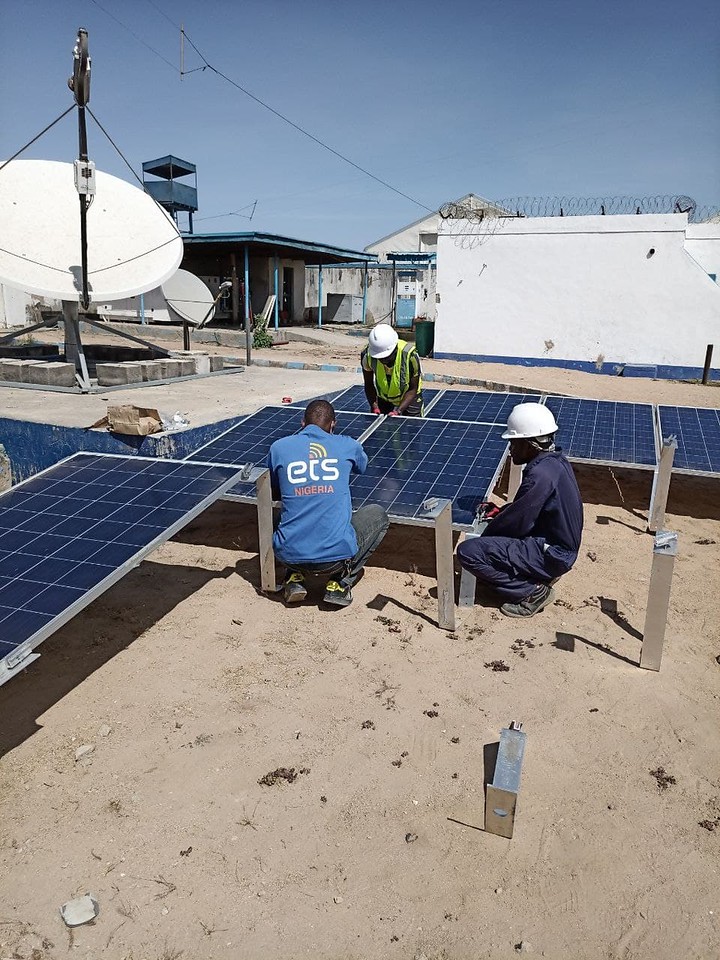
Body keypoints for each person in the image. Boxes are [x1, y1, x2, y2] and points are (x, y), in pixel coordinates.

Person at [456, 403, 583, 618]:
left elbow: (517, 524)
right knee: (491, 543)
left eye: (514, 443)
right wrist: (502, 511)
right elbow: (531, 509)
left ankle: (532, 592)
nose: (510, 449)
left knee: (469, 552)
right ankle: (534, 574)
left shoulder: (539, 476)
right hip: (556, 546)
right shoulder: (555, 463)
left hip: (553, 554)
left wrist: (488, 535)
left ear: (530, 444)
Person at [267, 399, 389, 608]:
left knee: (279, 513)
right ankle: (340, 583)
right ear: (333, 424)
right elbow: (362, 467)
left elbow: (275, 489)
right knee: (378, 514)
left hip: (288, 555)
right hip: (333, 561)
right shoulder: (348, 445)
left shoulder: (279, 448)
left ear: (302, 423)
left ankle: (294, 577)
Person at [361, 323, 424, 417]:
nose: (383, 360)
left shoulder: (410, 356)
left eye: (386, 357)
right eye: (379, 358)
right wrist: (374, 406)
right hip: (383, 398)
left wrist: (398, 411)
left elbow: (412, 389)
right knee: (382, 429)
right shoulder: (367, 356)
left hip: (409, 398)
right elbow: (369, 384)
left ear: (395, 349)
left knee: (413, 428)